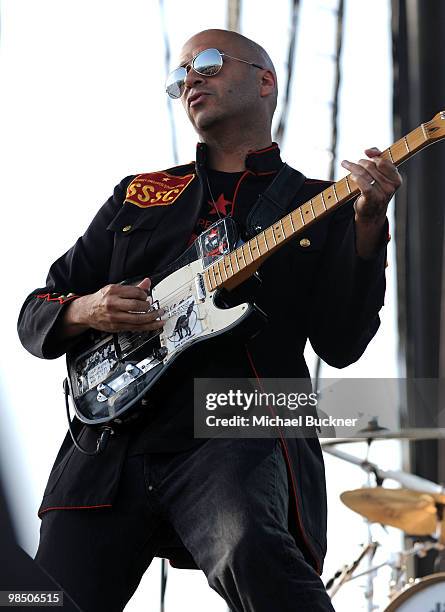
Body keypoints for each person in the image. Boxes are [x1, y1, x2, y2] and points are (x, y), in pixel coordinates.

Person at [17, 28, 402, 612]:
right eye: (180, 77)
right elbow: (36, 309)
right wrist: (87, 308)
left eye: (209, 62)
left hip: (235, 423)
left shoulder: (322, 204)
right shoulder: (140, 194)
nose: (190, 79)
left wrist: (368, 228)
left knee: (253, 552)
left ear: (265, 81)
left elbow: (342, 343)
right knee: (36, 600)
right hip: (108, 446)